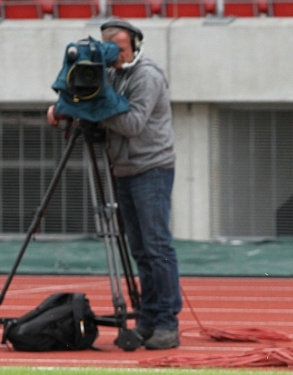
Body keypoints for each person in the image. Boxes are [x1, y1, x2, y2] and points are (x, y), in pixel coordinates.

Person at [47, 19, 182, 350]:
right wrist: (66, 108)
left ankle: (167, 322)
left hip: (151, 168)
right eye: (112, 50)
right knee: (140, 249)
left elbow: (133, 123)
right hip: (123, 169)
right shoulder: (107, 73)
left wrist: (92, 109)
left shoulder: (146, 75)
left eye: (122, 49)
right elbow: (88, 97)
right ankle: (148, 319)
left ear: (135, 46)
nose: (118, 56)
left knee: (156, 247)